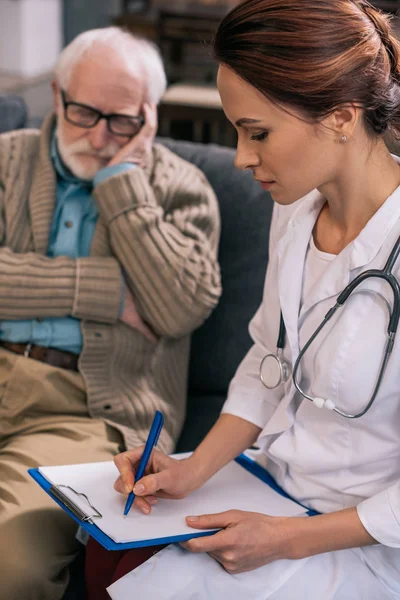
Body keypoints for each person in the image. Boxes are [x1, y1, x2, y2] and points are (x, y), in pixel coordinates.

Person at [101, 1, 400, 598]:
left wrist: (285, 538)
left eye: (257, 132)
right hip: (272, 487)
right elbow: (270, 358)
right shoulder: (292, 212)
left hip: (364, 538)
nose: (240, 158)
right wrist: (192, 470)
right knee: (110, 554)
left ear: (341, 117)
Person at [0, 26, 221, 600]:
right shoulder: (7, 159)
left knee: (9, 565)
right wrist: (109, 293)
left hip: (83, 411)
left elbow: (179, 308)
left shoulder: (181, 188)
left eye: (121, 120)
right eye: (83, 113)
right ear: (57, 93)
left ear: (149, 116)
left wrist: (122, 183)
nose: (100, 136)